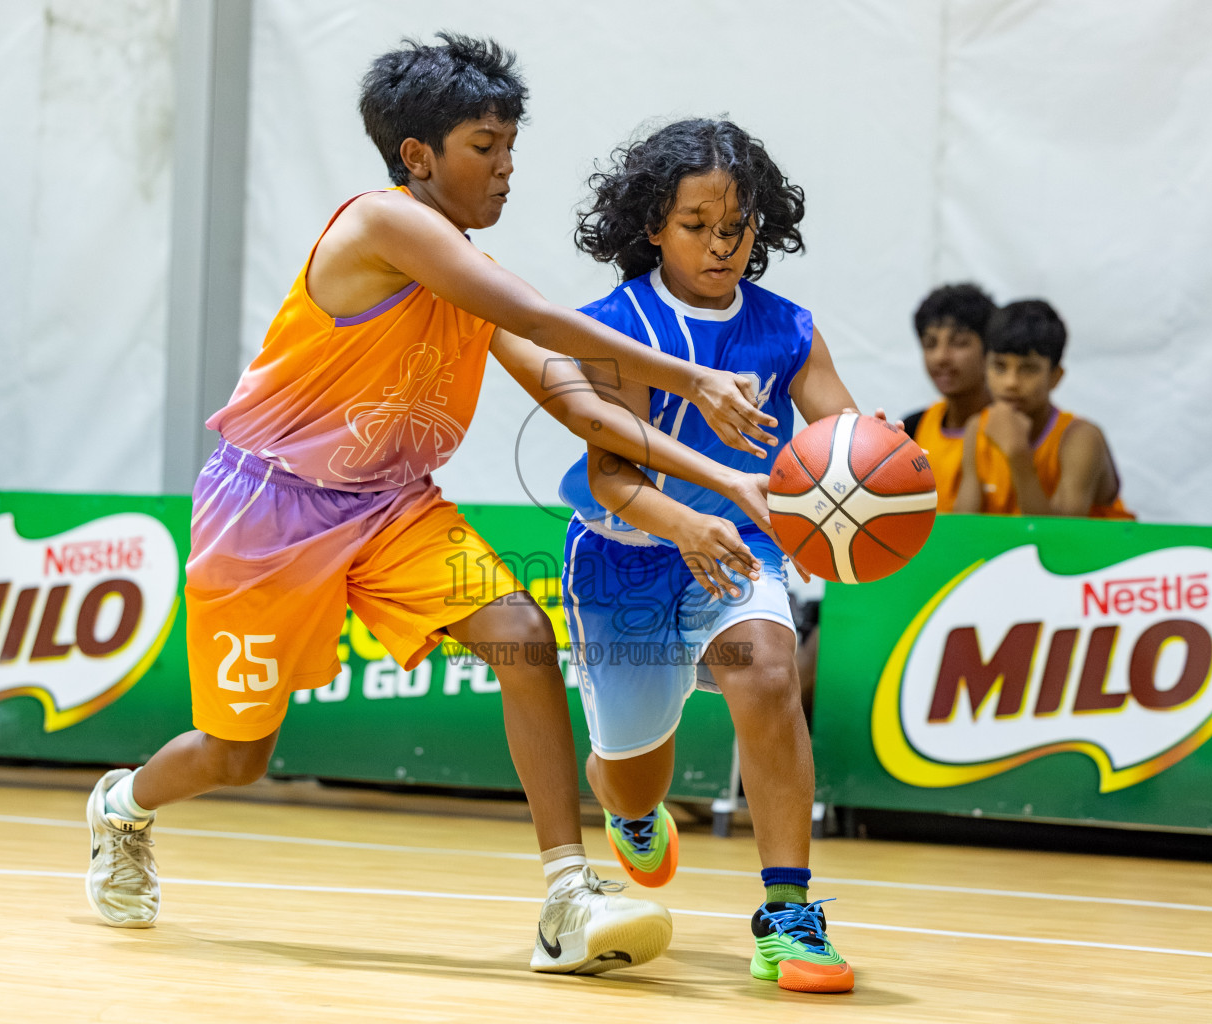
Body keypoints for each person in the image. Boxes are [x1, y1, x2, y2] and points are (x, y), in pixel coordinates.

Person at [83, 34, 783, 978]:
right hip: (267, 514)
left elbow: (569, 388)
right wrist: (696, 377)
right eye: (484, 146)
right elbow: (540, 319)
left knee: (522, 635)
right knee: (236, 755)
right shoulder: (384, 225)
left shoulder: (461, 265)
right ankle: (123, 806)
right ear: (419, 156)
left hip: (389, 510)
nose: (505, 167)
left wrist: (714, 475)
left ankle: (567, 894)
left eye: (509, 146)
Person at [558, 119, 884, 994]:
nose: (718, 244)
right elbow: (613, 477)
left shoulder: (788, 331)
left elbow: (841, 442)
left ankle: (788, 914)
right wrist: (685, 527)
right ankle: (631, 815)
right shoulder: (616, 327)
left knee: (770, 671)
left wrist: (860, 488)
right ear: (653, 226)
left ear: (760, 227)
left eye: (735, 227)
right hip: (623, 557)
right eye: (695, 225)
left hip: (737, 551)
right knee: (632, 774)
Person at [956, 299, 1132, 517]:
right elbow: (964, 523)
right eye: (999, 367)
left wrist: (1018, 455)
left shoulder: (1081, 439)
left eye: (1028, 369)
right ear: (985, 367)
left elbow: (1058, 538)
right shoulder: (978, 427)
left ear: (1055, 377)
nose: (1011, 382)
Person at [901, 282, 996, 512]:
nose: (941, 357)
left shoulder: (1014, 427)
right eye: (930, 344)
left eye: (959, 343)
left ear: (990, 348)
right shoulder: (914, 427)